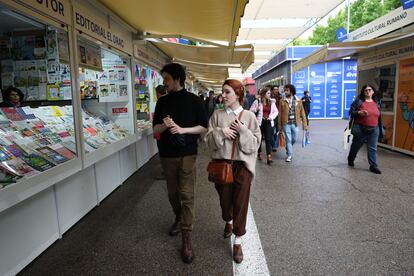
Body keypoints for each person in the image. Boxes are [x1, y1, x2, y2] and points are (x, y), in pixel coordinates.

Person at [153, 63, 208, 263]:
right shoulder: (162, 102)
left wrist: (183, 129)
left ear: (177, 78)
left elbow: (203, 128)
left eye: (167, 78)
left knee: (187, 194)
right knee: (173, 194)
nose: (164, 83)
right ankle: (178, 216)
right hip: (167, 155)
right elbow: (155, 131)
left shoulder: (194, 101)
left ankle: (187, 238)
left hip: (187, 154)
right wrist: (164, 125)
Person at [204, 79, 261, 264]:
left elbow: (255, 144)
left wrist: (243, 131)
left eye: (227, 92)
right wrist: (221, 132)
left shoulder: (250, 117)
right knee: (224, 201)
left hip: (242, 167)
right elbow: (207, 140)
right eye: (223, 92)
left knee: (240, 203)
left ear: (238, 94)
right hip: (221, 165)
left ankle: (237, 240)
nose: (223, 96)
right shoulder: (217, 115)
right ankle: (227, 221)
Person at [347, 84, 384, 174]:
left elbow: (378, 115)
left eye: (369, 90)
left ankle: (373, 166)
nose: (368, 91)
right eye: (366, 90)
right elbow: (351, 112)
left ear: (373, 91)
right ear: (363, 92)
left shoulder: (376, 102)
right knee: (356, 146)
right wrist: (359, 112)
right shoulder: (358, 102)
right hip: (361, 128)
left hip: (374, 128)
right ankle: (351, 159)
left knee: (373, 148)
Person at [278, 84, 308, 162]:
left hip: (295, 124)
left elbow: (303, 113)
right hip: (286, 123)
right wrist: (279, 126)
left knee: (294, 138)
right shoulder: (282, 101)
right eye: (285, 90)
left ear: (291, 91)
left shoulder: (298, 101)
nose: (285, 92)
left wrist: (305, 125)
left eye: (287, 90)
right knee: (288, 139)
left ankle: (288, 148)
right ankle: (290, 155)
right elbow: (280, 114)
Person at [249, 87, 278, 164]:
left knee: (268, 139)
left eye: (270, 93)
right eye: (268, 93)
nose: (269, 95)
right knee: (260, 139)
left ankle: (269, 156)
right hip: (260, 122)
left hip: (268, 122)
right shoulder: (257, 101)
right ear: (264, 93)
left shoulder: (272, 102)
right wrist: (256, 109)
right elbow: (250, 110)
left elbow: (276, 112)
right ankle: (259, 153)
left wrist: (271, 117)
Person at [271, 85, 281, 151]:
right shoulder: (270, 97)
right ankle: (273, 145)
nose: (276, 90)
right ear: (272, 90)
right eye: (275, 89)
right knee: (272, 131)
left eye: (277, 89)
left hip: (279, 116)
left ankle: (275, 145)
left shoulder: (280, 97)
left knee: (277, 131)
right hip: (272, 116)